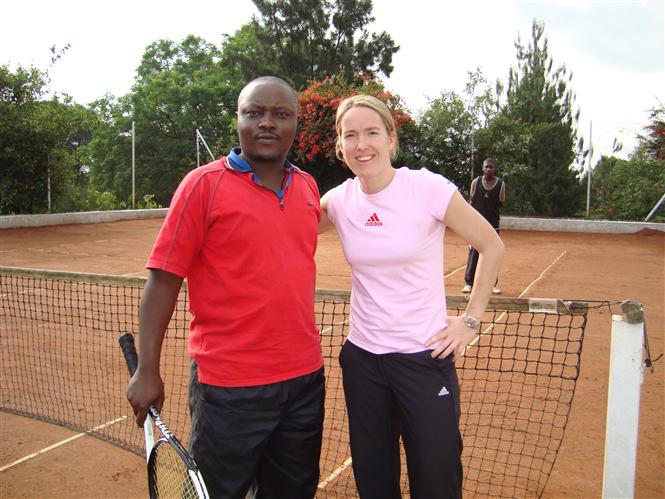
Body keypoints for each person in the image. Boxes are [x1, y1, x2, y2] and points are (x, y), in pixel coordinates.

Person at [125, 76, 325, 499]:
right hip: (229, 387)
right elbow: (163, 281)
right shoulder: (202, 185)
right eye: (254, 113)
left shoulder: (307, 187)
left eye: (280, 114)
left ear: (295, 124)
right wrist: (147, 369)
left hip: (305, 381)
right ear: (238, 120)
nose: (266, 123)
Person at [318, 95, 504, 499]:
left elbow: (491, 246)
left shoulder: (427, 188)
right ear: (340, 145)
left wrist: (470, 320)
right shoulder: (338, 201)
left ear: (390, 138)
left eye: (371, 133)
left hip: (424, 360)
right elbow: (281, 231)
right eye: (350, 135)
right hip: (363, 362)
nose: (361, 144)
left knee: (436, 479)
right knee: (374, 479)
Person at [462, 157, 505, 294]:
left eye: (491, 167)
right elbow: (471, 201)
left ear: (495, 169)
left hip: (493, 225)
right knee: (474, 253)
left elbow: (500, 203)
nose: (488, 169)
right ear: (482, 168)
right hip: (476, 224)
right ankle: (469, 283)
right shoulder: (476, 182)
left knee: (492, 254)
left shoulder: (500, 184)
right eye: (486, 167)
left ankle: (491, 284)